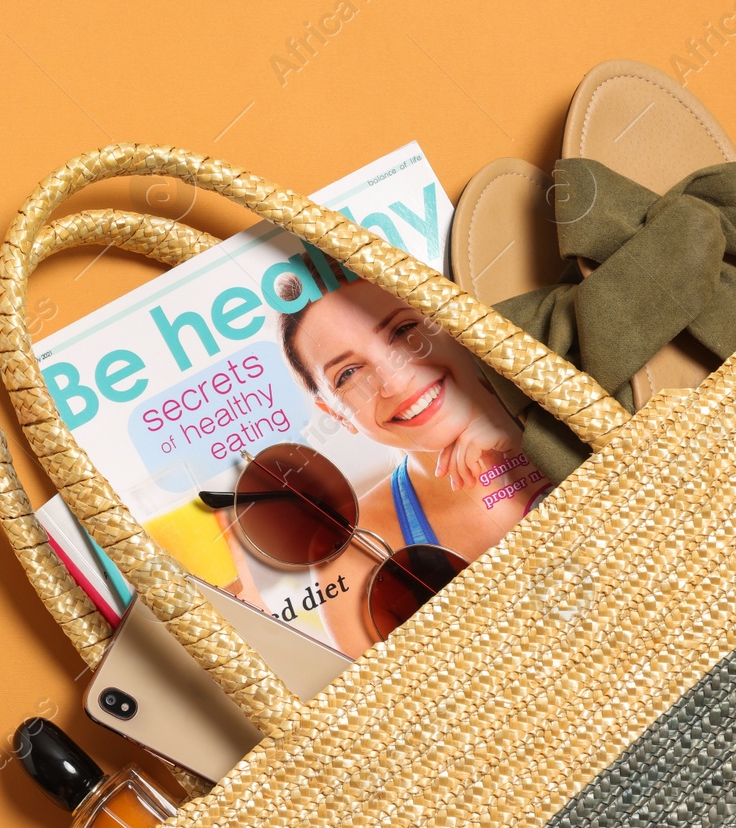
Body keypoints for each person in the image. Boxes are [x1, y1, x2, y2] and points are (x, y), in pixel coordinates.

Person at [226, 264, 547, 658]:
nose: (395, 381)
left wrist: (541, 442)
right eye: (349, 374)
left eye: (402, 330)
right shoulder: (351, 560)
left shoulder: (570, 397)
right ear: (337, 415)